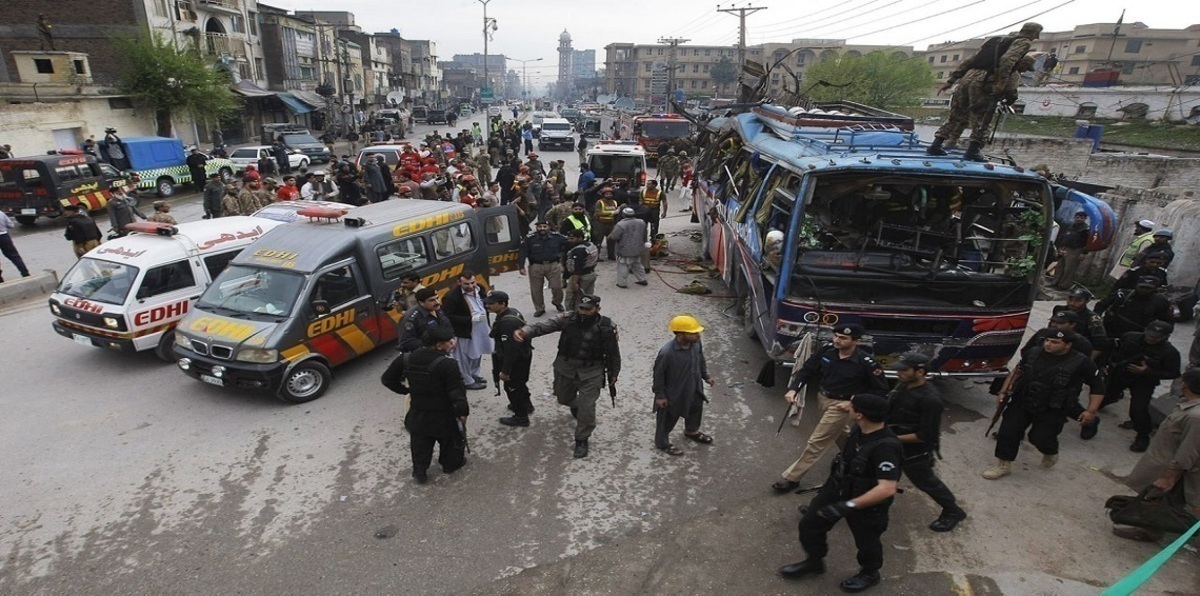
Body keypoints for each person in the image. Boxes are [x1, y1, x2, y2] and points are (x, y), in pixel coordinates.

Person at [778, 393, 902, 593]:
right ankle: (814, 561)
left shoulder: (886, 446)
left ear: (860, 414)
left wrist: (849, 505)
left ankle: (870, 573)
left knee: (867, 541)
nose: (847, 407)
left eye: (851, 406)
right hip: (838, 488)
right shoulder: (858, 429)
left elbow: (887, 488)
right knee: (810, 524)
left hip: (866, 502)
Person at [773, 324, 889, 493]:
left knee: (817, 442)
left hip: (842, 406)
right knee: (840, 435)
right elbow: (808, 369)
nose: (837, 340)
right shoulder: (827, 351)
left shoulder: (866, 363)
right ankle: (861, 461)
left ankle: (792, 478)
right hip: (823, 398)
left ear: (856, 341)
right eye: (836, 336)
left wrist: (853, 403)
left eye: (843, 338)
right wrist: (794, 389)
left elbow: (880, 390)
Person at [984, 329, 1105, 480]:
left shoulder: (1082, 362)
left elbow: (1097, 387)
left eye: (1055, 342)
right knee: (1008, 433)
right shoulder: (1034, 352)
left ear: (1067, 345)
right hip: (1023, 401)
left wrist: (1091, 411)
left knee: (1040, 438)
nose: (1048, 344)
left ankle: (1050, 452)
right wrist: (1003, 391)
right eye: (1047, 340)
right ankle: (1003, 465)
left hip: (1053, 408)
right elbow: (1017, 372)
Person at [514, 294, 620, 459]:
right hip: (566, 367)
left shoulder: (607, 326)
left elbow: (613, 353)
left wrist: (614, 373)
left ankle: (582, 438)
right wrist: (526, 331)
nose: (583, 312)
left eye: (588, 309)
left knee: (587, 408)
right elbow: (545, 325)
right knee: (562, 398)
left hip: (592, 372)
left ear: (597, 309)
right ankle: (575, 405)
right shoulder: (567, 318)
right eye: (581, 308)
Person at [926, 22, 1042, 161]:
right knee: (983, 119)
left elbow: (970, 59)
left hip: (968, 77)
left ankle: (936, 145)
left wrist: (952, 80)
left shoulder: (995, 40)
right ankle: (973, 151)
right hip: (985, 80)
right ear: (1034, 34)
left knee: (956, 115)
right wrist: (1001, 82)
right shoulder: (1023, 43)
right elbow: (1007, 60)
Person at [1113, 368, 1200, 541]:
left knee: (1163, 500)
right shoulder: (1189, 407)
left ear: (1185, 384)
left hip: (1172, 468)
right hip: (1163, 461)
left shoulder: (1195, 416)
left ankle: (1150, 531)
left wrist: (1169, 476)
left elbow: (1188, 451)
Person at [886, 353, 967, 532]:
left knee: (926, 482)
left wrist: (889, 438)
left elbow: (926, 435)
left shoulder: (931, 400)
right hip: (894, 443)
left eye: (904, 370)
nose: (899, 373)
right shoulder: (904, 385)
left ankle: (953, 511)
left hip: (914, 451)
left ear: (920, 371)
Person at [380, 325, 470, 484]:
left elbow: (387, 379)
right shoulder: (448, 365)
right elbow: (457, 392)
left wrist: (406, 390)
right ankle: (450, 465)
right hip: (444, 414)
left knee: (420, 444)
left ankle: (420, 472)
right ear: (438, 345)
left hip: (418, 412)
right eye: (448, 342)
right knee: (450, 442)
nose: (452, 343)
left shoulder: (406, 359)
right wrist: (463, 413)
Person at [1101, 320, 1181, 452]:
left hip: (1144, 381)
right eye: (1149, 334)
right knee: (1104, 396)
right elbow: (1113, 349)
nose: (1150, 338)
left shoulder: (1170, 352)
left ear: (1166, 337)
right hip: (1120, 375)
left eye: (1155, 337)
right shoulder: (1130, 337)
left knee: (1139, 410)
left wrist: (1148, 372)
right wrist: (1106, 364)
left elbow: (1173, 373)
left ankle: (1143, 436)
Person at [653, 315, 715, 456]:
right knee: (668, 418)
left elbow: (701, 360)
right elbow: (658, 376)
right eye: (693, 333)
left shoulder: (696, 344)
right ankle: (662, 443)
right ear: (681, 334)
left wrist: (706, 376)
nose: (698, 336)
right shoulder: (667, 353)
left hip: (694, 387)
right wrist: (660, 396)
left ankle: (691, 431)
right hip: (674, 392)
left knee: (695, 409)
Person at [485, 291, 535, 427]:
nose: (487, 305)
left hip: (516, 360)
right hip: (523, 355)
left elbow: (511, 351)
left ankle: (521, 417)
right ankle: (527, 406)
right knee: (520, 384)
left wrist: (505, 371)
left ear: (502, 304)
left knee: (513, 387)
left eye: (491, 303)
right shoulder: (512, 313)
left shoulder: (507, 322)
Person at [440, 272, 493, 391]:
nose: (470, 286)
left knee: (478, 352)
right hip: (464, 331)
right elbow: (448, 316)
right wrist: (470, 319)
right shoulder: (452, 297)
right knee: (463, 357)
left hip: (482, 328)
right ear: (459, 283)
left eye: (472, 282)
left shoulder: (480, 289)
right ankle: (466, 380)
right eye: (466, 283)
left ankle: (473, 375)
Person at [1096, 276, 1173, 340]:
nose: (1144, 290)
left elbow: (1167, 321)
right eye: (1142, 287)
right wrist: (1097, 321)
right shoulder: (1122, 294)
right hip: (1111, 331)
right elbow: (1101, 305)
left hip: (1139, 336)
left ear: (1155, 289)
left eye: (1148, 288)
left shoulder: (1161, 301)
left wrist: (1161, 335)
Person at [518, 220, 569, 317]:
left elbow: (569, 243)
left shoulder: (557, 237)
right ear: (536, 228)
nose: (542, 228)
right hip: (536, 266)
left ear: (549, 227)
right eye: (539, 226)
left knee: (557, 287)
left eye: (544, 226)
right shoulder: (529, 238)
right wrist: (521, 266)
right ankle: (539, 308)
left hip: (553, 265)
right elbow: (522, 252)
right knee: (536, 289)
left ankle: (557, 302)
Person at [398, 287, 454, 354]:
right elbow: (406, 341)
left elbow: (447, 325)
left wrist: (451, 338)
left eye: (437, 298)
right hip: (424, 354)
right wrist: (431, 346)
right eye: (432, 300)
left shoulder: (438, 309)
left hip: (444, 350)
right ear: (421, 302)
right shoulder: (411, 318)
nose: (437, 302)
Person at [609, 207, 649, 288]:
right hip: (638, 248)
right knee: (637, 264)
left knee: (623, 265)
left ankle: (622, 283)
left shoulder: (621, 224)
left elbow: (614, 237)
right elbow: (645, 234)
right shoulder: (641, 222)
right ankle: (642, 279)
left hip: (625, 249)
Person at [562, 228, 598, 312]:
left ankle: (573, 317)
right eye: (569, 238)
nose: (569, 240)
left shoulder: (579, 250)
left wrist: (574, 282)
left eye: (572, 238)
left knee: (573, 299)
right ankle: (589, 314)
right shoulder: (590, 245)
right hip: (591, 274)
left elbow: (578, 268)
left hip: (581, 277)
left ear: (580, 238)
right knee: (588, 297)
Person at [1051, 211, 1089, 290]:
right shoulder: (1071, 226)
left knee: (1069, 269)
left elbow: (1087, 242)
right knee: (1059, 266)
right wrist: (1061, 246)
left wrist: (1084, 252)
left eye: (1081, 218)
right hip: (1065, 248)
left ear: (1085, 219)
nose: (1079, 219)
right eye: (1077, 217)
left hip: (1075, 250)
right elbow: (1065, 236)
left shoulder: (1085, 229)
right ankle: (1055, 282)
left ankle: (1063, 285)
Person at [0, 212, 31, 279]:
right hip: (4, 236)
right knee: (14, 256)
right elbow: (11, 225)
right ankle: (25, 273)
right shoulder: (1, 213)